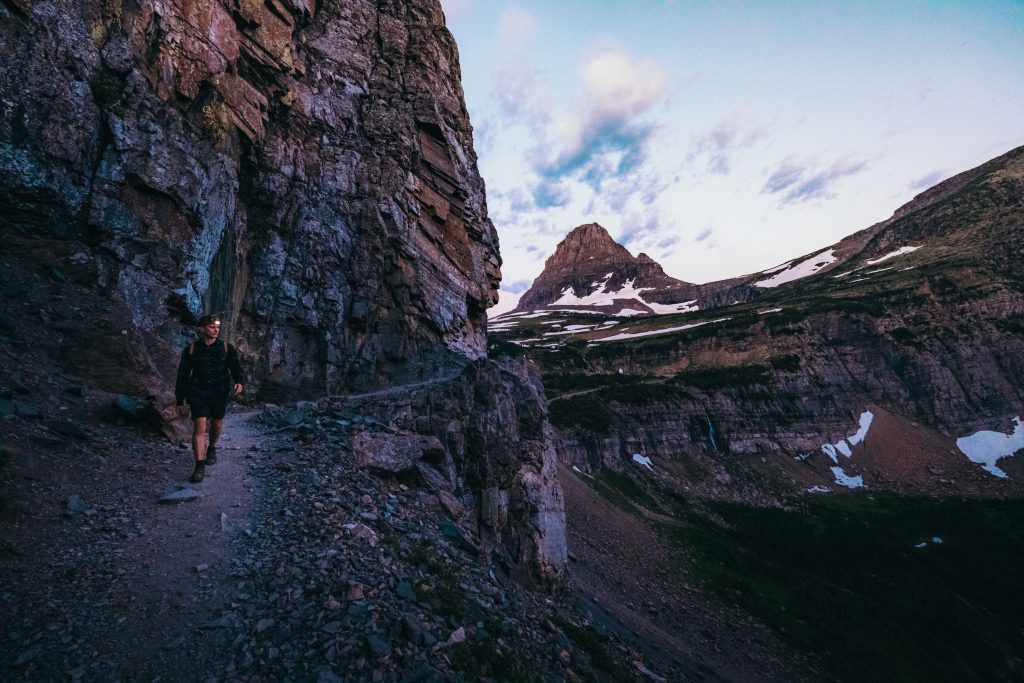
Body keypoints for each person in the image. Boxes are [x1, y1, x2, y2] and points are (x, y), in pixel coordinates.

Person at [175, 314, 245, 483]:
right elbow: (183, 375)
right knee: (199, 426)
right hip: (198, 392)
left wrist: (240, 382)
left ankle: (212, 447)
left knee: (217, 423)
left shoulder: (227, 348)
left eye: (217, 327)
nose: (216, 330)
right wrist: (179, 399)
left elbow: (236, 368)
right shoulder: (191, 350)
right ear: (202, 329)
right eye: (212, 327)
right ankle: (199, 466)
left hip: (219, 392)